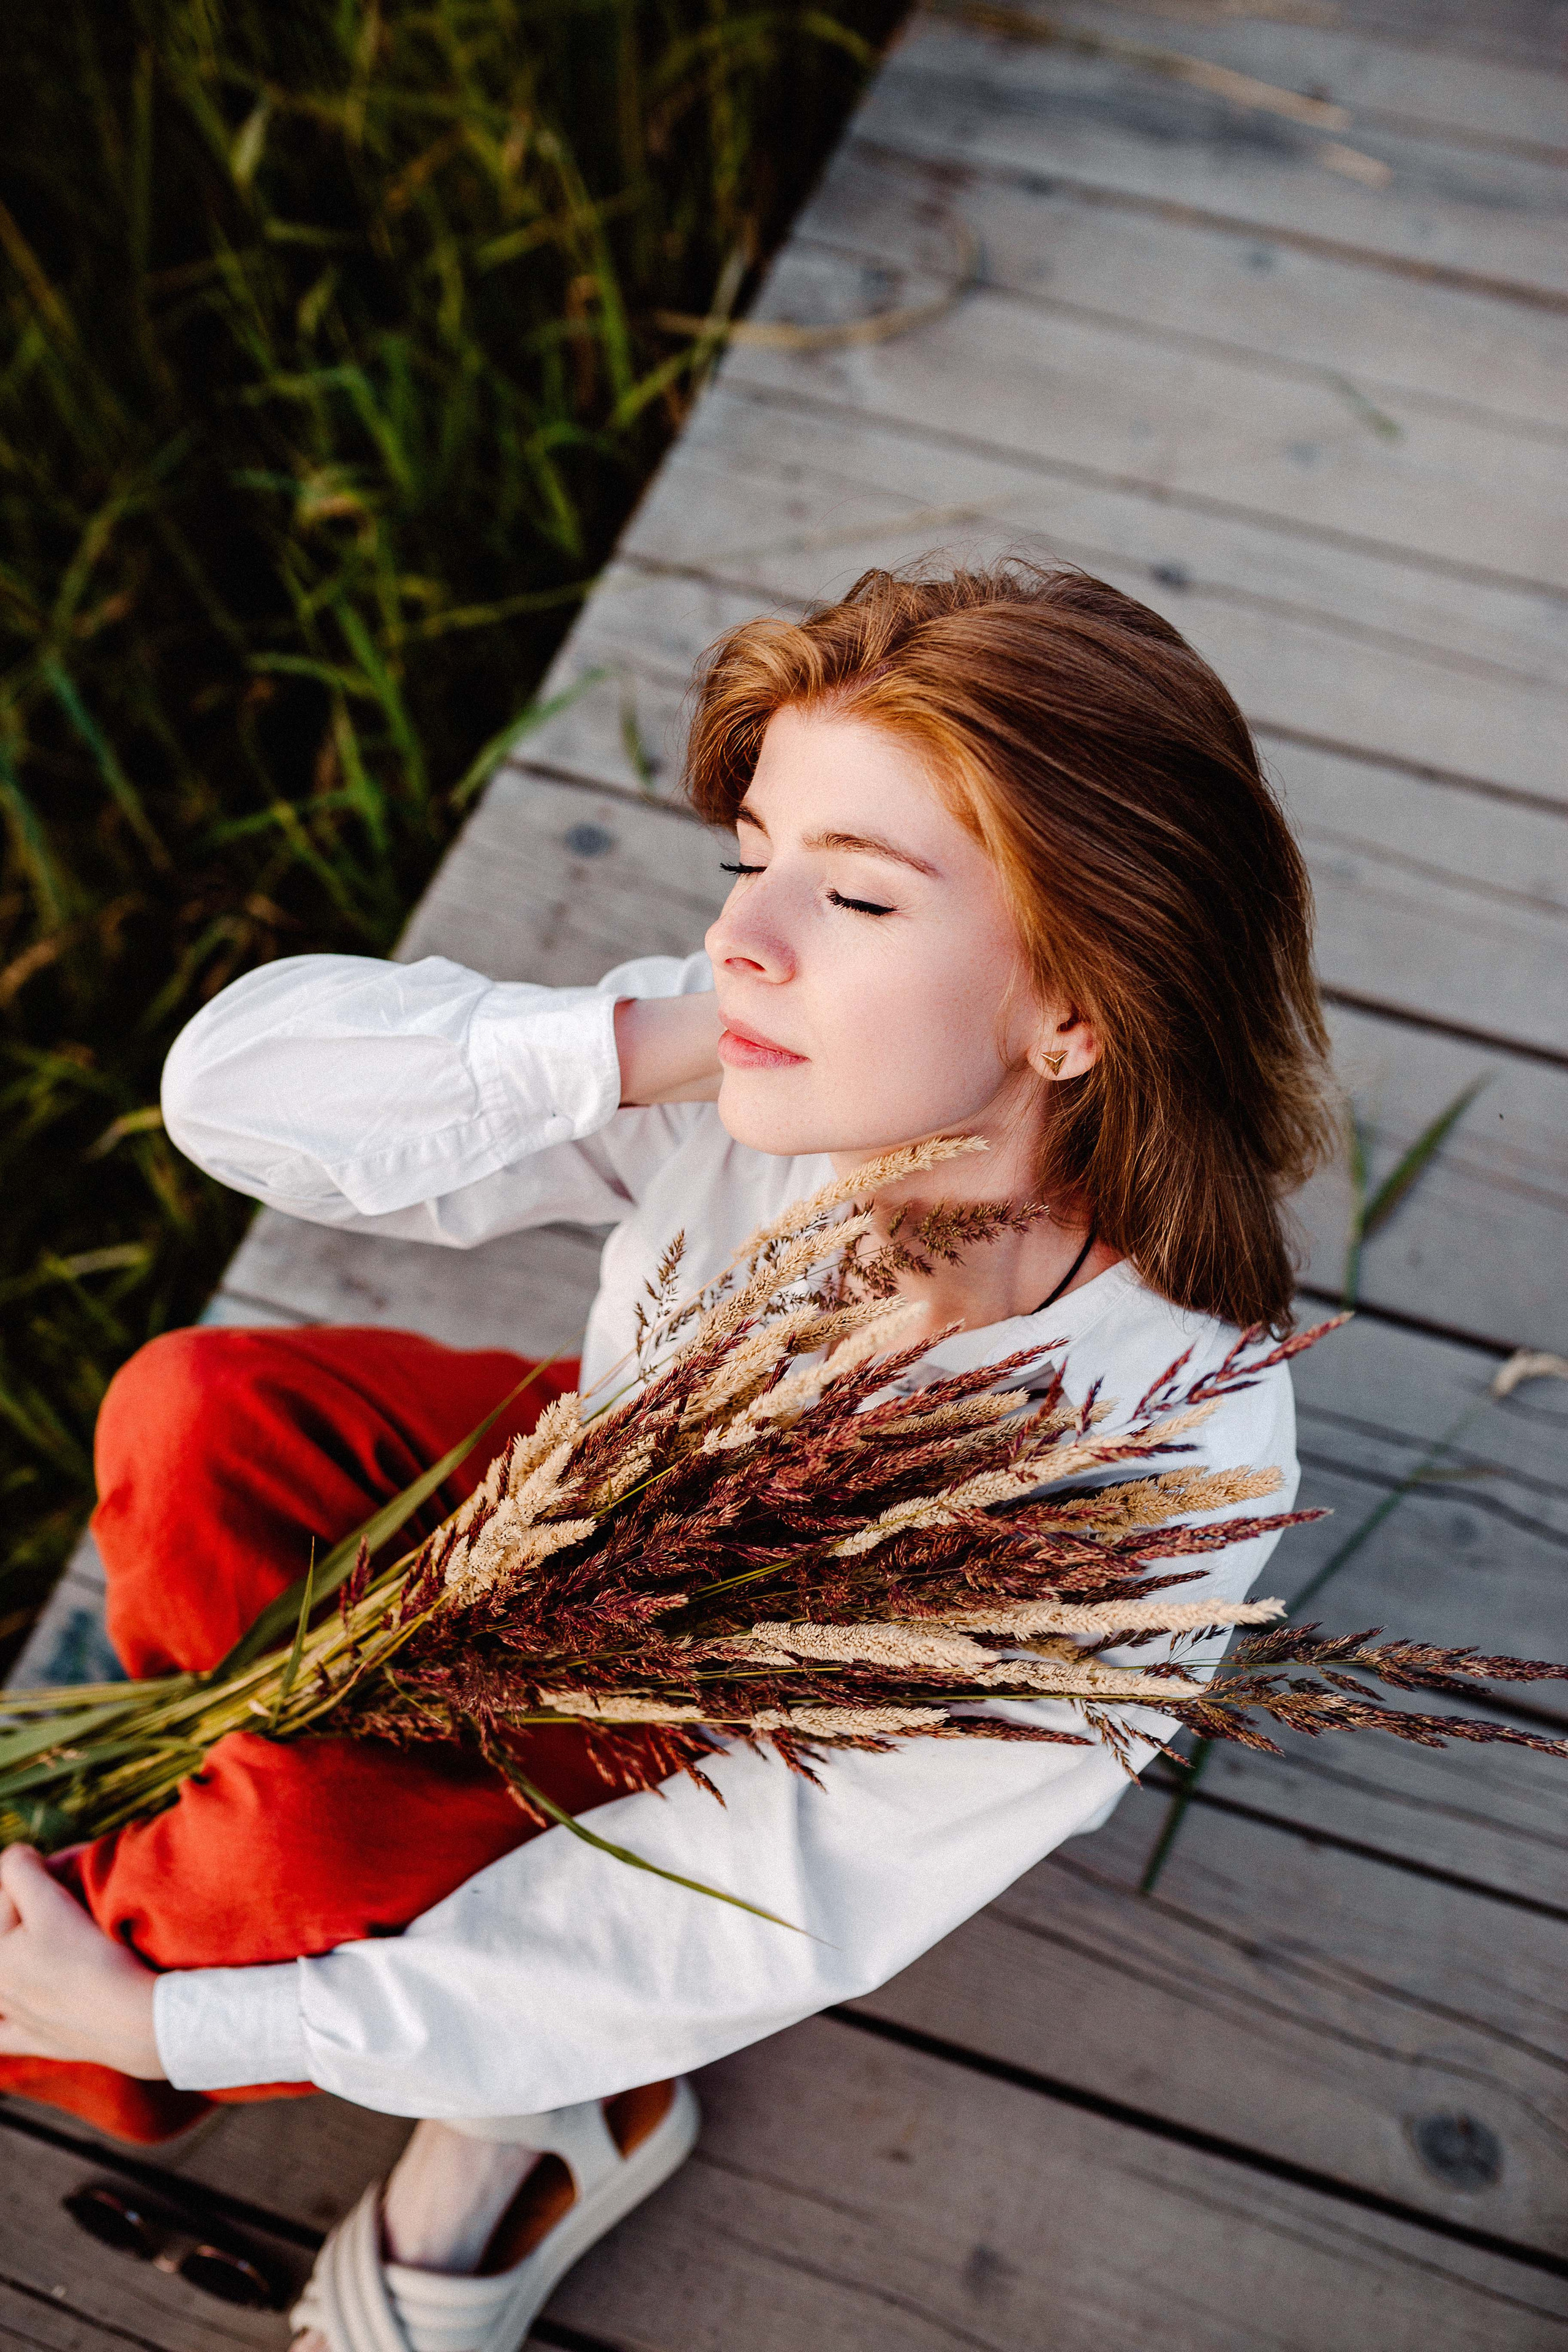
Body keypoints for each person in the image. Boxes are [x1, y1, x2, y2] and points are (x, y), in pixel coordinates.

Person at [0, 564, 1333, 2352]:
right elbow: (232, 1095)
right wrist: (640, 1043)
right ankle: (276, 1840)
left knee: (245, 1893)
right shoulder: (769, 1061)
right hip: (580, 1500)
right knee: (201, 1418)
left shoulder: (1148, 1485)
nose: (746, 937)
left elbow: (761, 1908)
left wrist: (175, 2028)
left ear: (1077, 1009)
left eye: (853, 891)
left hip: (725, 1730)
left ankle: (493, 2092)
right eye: (749, 860)